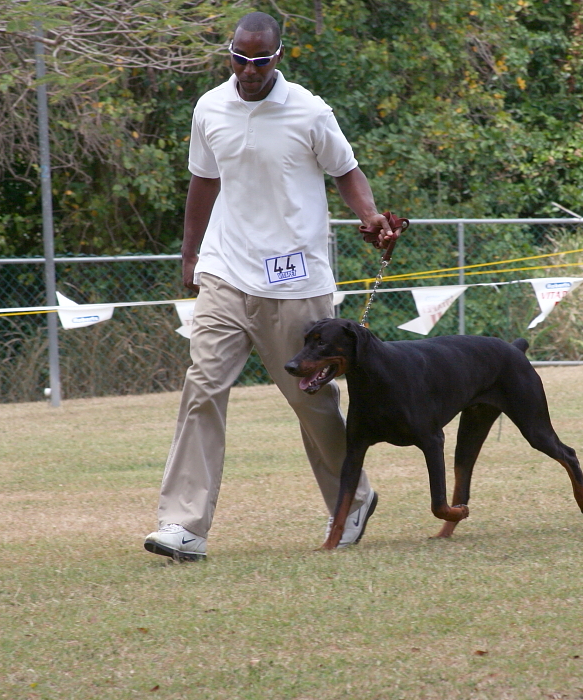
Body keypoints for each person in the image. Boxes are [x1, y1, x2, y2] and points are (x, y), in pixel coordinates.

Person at [144, 11, 399, 560]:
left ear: (278, 56)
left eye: (260, 60)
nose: (249, 68)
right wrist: (190, 253)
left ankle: (352, 498)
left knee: (310, 403)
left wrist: (370, 215)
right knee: (202, 388)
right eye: (240, 57)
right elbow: (203, 180)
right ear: (230, 52)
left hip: (295, 282)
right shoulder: (210, 107)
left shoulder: (309, 110)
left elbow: (346, 170)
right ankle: (183, 525)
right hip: (225, 272)